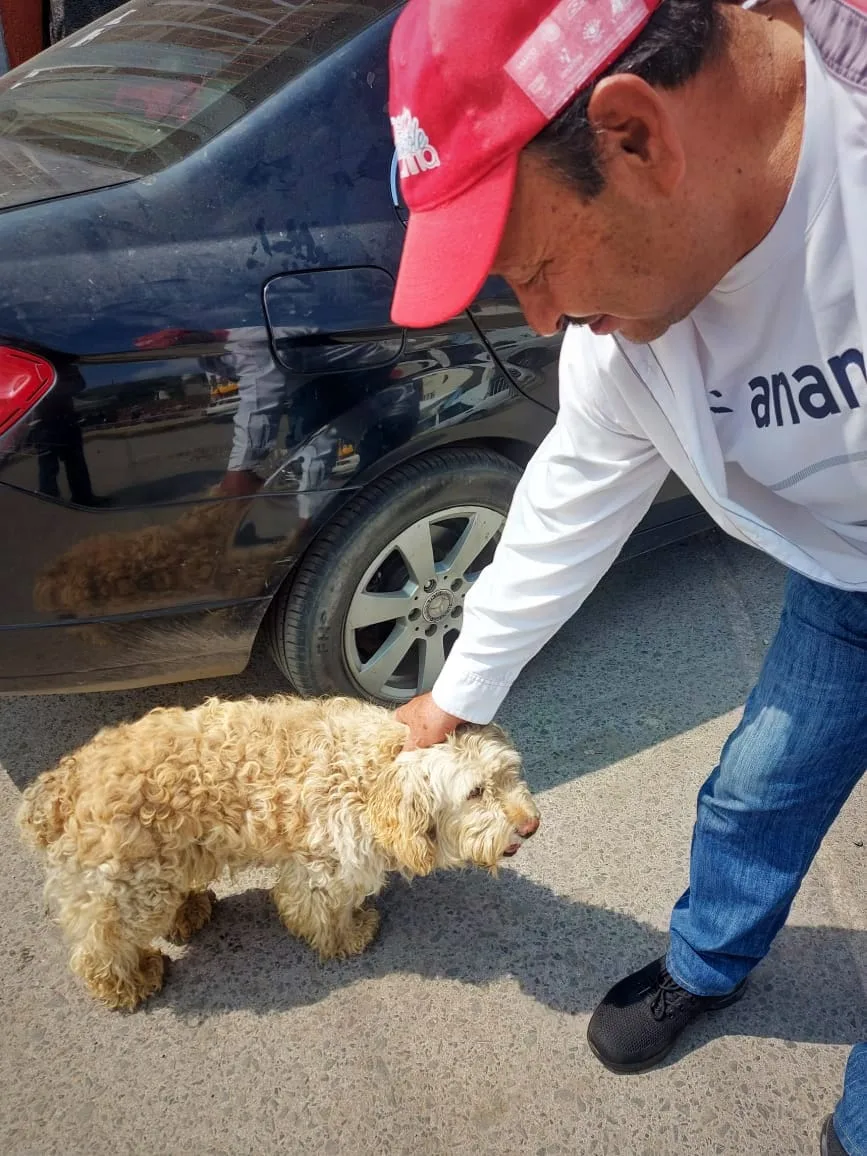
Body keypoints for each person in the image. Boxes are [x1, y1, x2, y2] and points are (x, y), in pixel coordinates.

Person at [386, 0, 866, 1151]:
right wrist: (457, 695)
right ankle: (706, 962)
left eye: (537, 266)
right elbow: (569, 498)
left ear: (634, 132)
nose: (549, 317)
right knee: (760, 783)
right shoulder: (622, 341)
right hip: (844, 582)